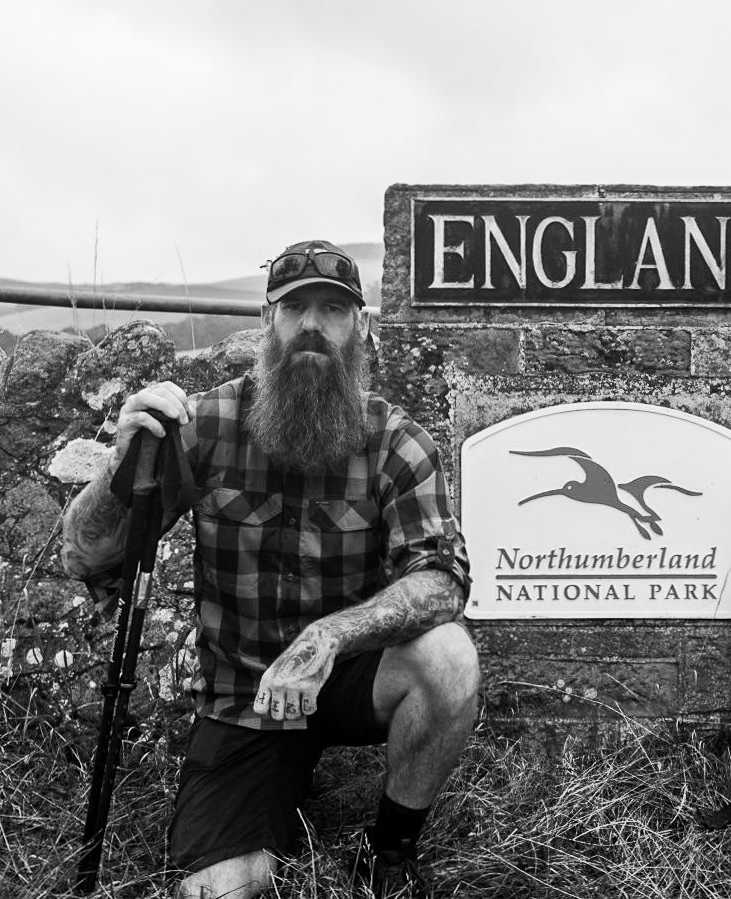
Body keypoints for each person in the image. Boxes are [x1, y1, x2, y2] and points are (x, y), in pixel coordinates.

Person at [61, 239, 479, 899]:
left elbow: (442, 581)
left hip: (347, 679)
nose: (313, 323)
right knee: (219, 891)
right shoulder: (206, 426)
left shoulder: (398, 441)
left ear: (360, 328)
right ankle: (264, 808)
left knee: (449, 659)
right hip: (242, 703)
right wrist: (120, 465)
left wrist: (330, 636)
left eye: (333, 309)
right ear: (268, 322)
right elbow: (88, 555)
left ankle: (391, 853)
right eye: (296, 308)